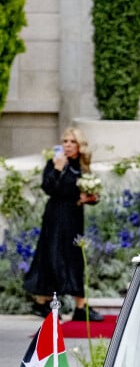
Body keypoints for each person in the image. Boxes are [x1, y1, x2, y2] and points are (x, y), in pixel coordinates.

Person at [23, 127, 104, 321]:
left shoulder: (82, 166)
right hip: (56, 217)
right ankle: (47, 303)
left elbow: (91, 192)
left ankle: (79, 307)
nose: (67, 145)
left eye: (72, 141)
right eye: (65, 141)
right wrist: (58, 168)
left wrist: (90, 198)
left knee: (75, 257)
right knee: (53, 256)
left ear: (79, 146)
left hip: (74, 217)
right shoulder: (55, 162)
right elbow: (48, 188)